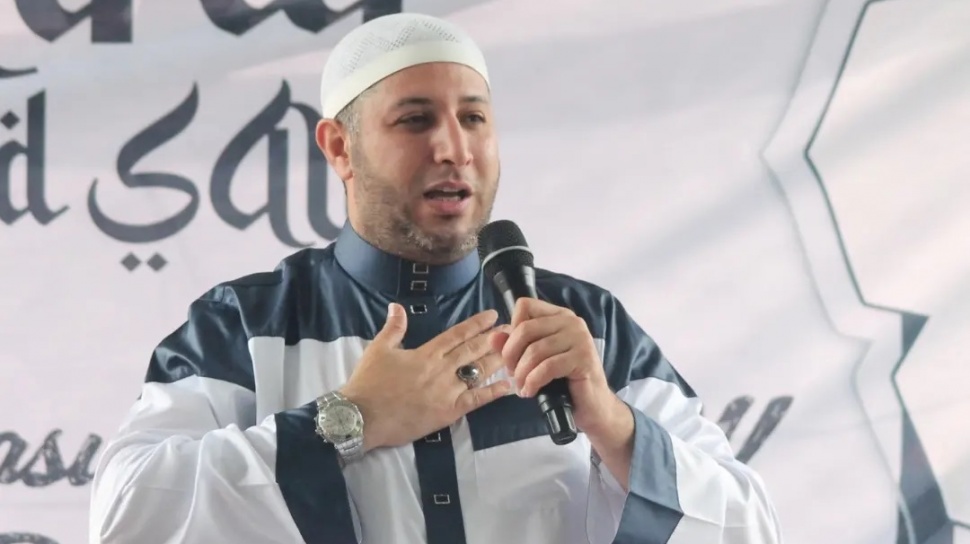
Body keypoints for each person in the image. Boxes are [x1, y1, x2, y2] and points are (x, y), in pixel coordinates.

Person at [88, 12, 783, 544]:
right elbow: (126, 515)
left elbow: (750, 528)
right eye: (416, 120)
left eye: (473, 118)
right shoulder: (246, 325)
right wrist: (349, 421)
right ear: (340, 147)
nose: (454, 148)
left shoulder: (586, 328)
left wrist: (614, 427)